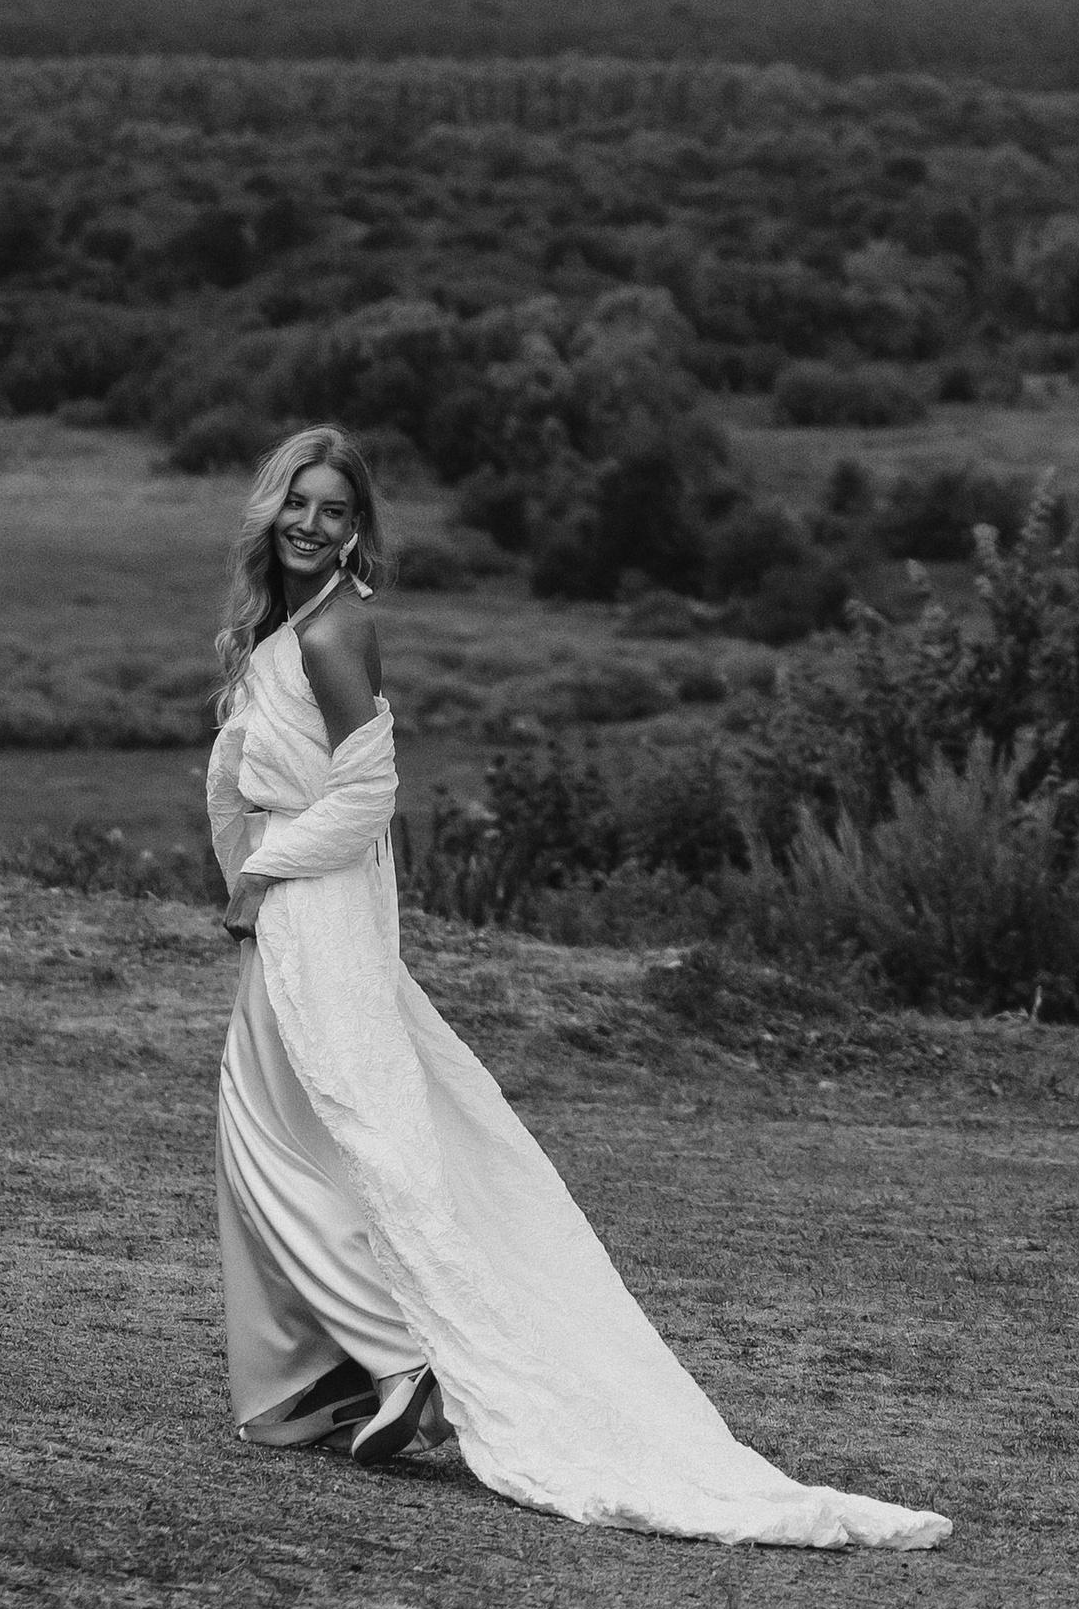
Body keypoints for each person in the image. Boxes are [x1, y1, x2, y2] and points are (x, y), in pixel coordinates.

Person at [203, 425, 949, 1549]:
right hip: (300, 906)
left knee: (282, 1136)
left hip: (311, 907)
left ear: (358, 529)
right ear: (272, 510)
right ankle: (329, 1380)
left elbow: (368, 798)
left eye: (335, 511)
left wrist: (259, 873)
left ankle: (400, 1356)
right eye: (299, 505)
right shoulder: (284, 624)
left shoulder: (336, 628)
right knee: (311, 1134)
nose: (313, 525)